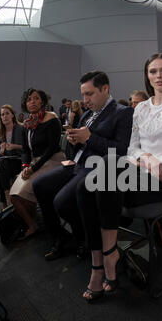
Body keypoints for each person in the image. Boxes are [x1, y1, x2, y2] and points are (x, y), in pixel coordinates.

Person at [77, 53, 162, 302]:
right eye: (153, 72)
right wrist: (146, 158)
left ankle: (106, 260)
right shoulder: (140, 108)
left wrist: (155, 161)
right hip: (141, 172)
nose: (159, 76)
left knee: (106, 173)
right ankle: (102, 259)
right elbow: (132, 148)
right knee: (85, 187)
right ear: (147, 76)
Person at [33, 71, 133, 262]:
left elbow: (122, 151)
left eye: (90, 94)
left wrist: (89, 138)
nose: (85, 100)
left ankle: (88, 240)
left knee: (61, 203)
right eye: (83, 94)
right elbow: (79, 146)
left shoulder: (123, 112)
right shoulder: (87, 114)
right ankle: (62, 238)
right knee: (39, 185)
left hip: (97, 169)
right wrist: (73, 141)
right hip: (76, 164)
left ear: (105, 89)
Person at [10, 88, 65, 240]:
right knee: (14, 197)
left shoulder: (51, 118)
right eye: (29, 99)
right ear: (25, 104)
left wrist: (33, 168)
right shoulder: (28, 123)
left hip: (53, 160)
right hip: (35, 163)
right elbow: (26, 151)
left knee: (24, 197)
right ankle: (32, 224)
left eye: (35, 98)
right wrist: (25, 166)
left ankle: (39, 225)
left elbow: (52, 147)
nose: (32, 102)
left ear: (42, 101)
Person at [0, 105, 24, 208]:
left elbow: (27, 148)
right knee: (2, 166)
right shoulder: (1, 133)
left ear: (12, 115)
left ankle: (6, 201)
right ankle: (7, 197)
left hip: (19, 160)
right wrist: (2, 150)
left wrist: (14, 146)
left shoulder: (21, 128)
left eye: (7, 113)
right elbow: (1, 153)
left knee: (1, 168)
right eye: (2, 114)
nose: (5, 116)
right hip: (7, 163)